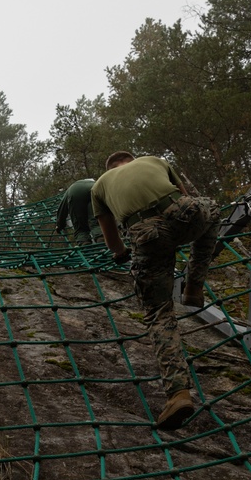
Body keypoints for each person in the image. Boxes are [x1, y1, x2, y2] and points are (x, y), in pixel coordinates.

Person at [91, 151, 219, 430]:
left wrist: (121, 253)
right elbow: (185, 195)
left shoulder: (99, 185)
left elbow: (110, 236)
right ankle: (194, 286)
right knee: (211, 208)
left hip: (146, 233)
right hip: (184, 213)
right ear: (131, 160)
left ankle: (178, 394)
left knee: (159, 313)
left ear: (110, 167)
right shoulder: (154, 160)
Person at [54, 178, 103, 245]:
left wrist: (59, 225)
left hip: (75, 195)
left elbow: (62, 208)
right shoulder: (94, 183)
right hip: (94, 192)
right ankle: (100, 237)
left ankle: (84, 242)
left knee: (80, 226)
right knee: (95, 219)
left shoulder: (71, 188)